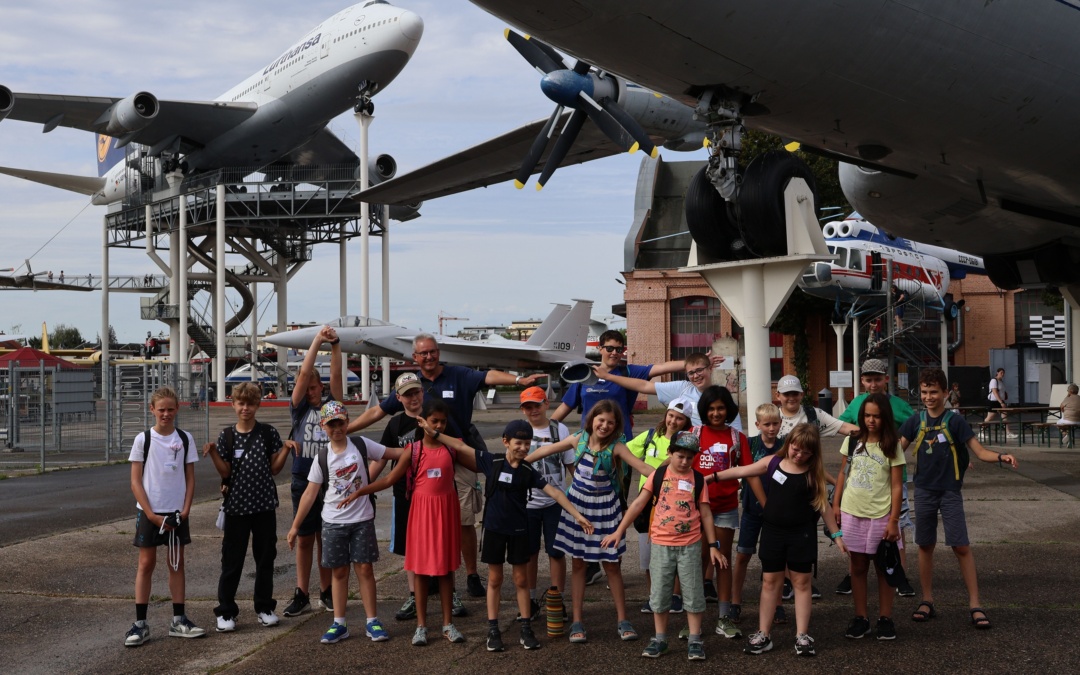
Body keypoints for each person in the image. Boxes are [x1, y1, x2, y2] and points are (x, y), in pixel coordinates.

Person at [348, 333, 544, 603]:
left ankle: (472, 574)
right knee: (422, 524)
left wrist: (518, 380)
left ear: (438, 352)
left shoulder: (457, 375)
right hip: (422, 462)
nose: (428, 357)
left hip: (458, 455)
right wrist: (345, 430)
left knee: (463, 519)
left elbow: (487, 376)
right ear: (415, 358)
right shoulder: (411, 387)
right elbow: (377, 412)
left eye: (432, 351)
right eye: (423, 353)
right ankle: (425, 584)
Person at [346, 400, 480, 647]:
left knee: (446, 569)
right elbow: (388, 479)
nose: (438, 426)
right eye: (434, 421)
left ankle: (448, 624)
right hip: (422, 513)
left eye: (442, 422)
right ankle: (421, 626)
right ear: (423, 421)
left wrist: (452, 440)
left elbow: (478, 463)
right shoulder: (414, 450)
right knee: (420, 569)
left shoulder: (452, 449)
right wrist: (360, 491)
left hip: (446, 512)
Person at [708, 423, 848, 657]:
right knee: (770, 582)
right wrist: (712, 478)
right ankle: (764, 633)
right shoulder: (772, 462)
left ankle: (802, 635)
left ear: (813, 453)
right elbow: (742, 471)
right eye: (795, 448)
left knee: (801, 583)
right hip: (773, 532)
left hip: (802, 535)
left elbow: (823, 506)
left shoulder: (813, 473)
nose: (799, 454)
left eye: (806, 452)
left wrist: (837, 535)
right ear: (789, 443)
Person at [526, 399, 652, 643]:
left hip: (606, 510)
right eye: (600, 420)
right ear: (592, 419)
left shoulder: (617, 447)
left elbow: (642, 467)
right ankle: (576, 621)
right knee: (579, 566)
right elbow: (545, 450)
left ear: (616, 427)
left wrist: (670, 473)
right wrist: (520, 463)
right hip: (578, 509)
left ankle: (623, 620)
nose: (604, 425)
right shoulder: (578, 439)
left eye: (610, 423)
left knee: (612, 565)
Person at [900, 368, 1018, 629]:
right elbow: (896, 452)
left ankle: (975, 604)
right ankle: (927, 599)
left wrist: (1001, 456)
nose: (929, 397)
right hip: (924, 491)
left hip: (950, 491)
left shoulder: (955, 422)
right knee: (925, 545)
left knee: (961, 545)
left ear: (945, 393)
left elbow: (978, 451)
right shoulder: (914, 421)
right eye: (924, 392)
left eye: (934, 392)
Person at [602, 431, 728, 661]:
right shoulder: (658, 475)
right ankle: (660, 639)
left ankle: (695, 639)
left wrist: (713, 545)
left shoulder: (698, 480)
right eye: (680, 456)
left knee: (693, 595)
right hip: (660, 545)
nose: (684, 461)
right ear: (669, 453)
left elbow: (707, 515)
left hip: (690, 545)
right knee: (659, 596)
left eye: (690, 457)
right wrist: (619, 531)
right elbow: (639, 503)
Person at [288, 401, 402, 644]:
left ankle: (372, 621)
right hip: (332, 523)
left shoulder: (360, 445)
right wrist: (295, 526)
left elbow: (391, 453)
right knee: (339, 572)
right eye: (331, 424)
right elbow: (309, 494)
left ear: (347, 422)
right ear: (323, 427)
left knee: (365, 569)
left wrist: (422, 449)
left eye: (340, 422)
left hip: (361, 520)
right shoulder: (322, 457)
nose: (336, 428)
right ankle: (339, 623)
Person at [479, 420, 594, 652]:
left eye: (527, 443)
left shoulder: (527, 470)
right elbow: (460, 447)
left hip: (519, 530)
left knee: (521, 580)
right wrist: (435, 433)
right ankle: (493, 629)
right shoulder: (493, 462)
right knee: (495, 579)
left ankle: (525, 627)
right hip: (493, 529)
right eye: (518, 443)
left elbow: (555, 492)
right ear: (506, 442)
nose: (523, 447)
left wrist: (578, 515)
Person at [201, 382, 294, 632]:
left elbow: (274, 469)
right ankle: (226, 611)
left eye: (250, 403)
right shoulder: (227, 436)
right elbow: (226, 471)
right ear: (233, 405)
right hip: (236, 508)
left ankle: (264, 607)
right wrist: (213, 454)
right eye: (241, 403)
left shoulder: (267, 433)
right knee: (232, 561)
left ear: (258, 405)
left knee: (265, 559)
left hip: (264, 506)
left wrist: (285, 449)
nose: (246, 408)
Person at [124, 386, 206, 647]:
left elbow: (190, 477)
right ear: (152, 410)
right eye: (161, 410)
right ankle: (140, 624)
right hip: (150, 512)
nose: (166, 414)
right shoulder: (143, 440)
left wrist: (186, 509)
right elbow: (136, 482)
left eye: (171, 409)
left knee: (176, 563)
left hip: (176, 512)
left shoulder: (184, 438)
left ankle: (179, 620)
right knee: (146, 564)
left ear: (177, 409)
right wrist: (151, 514)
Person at [836, 358, 916, 597]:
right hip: (861, 479)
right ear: (862, 381)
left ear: (886, 380)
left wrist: (898, 443)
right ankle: (853, 574)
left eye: (877, 379)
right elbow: (843, 425)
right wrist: (857, 437)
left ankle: (899, 572)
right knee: (856, 534)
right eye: (868, 380)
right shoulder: (857, 403)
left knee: (896, 525)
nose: (873, 384)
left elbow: (915, 425)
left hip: (890, 477)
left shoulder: (898, 405)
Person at [832, 393, 906, 641]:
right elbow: (843, 472)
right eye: (867, 415)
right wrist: (836, 504)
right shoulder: (853, 441)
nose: (871, 420)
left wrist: (894, 520)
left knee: (884, 567)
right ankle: (861, 617)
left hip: (881, 515)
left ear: (885, 417)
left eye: (876, 416)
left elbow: (897, 486)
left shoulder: (892, 445)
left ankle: (885, 617)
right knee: (858, 566)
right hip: (852, 512)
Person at [283, 325, 342, 618]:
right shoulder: (298, 409)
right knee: (305, 538)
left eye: (314, 388)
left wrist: (334, 347)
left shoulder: (332, 408)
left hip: (330, 482)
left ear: (322, 388)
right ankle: (301, 592)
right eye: (305, 389)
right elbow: (304, 374)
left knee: (325, 538)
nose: (310, 392)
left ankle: (326, 591)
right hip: (302, 479)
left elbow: (337, 379)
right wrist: (316, 340)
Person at [692, 385, 751, 640]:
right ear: (704, 410)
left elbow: (749, 473)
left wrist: (766, 504)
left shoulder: (737, 438)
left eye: (721, 408)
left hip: (725, 508)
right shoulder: (693, 434)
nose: (716, 413)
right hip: (696, 508)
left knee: (722, 560)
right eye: (711, 408)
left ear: (728, 410)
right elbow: (673, 464)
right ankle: (693, 619)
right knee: (699, 559)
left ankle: (724, 617)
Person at [366, 373, 426, 622]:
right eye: (407, 394)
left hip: (432, 494)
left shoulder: (434, 418)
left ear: (423, 393)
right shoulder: (395, 425)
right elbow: (381, 457)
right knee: (410, 547)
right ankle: (414, 595)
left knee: (437, 543)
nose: (413, 398)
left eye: (416, 392)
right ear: (398, 398)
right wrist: (363, 484)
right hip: (405, 493)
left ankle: (449, 592)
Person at [625, 397, 693, 613]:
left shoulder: (686, 442)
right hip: (646, 502)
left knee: (671, 553)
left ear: (686, 421)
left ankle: (674, 596)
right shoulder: (649, 437)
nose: (673, 421)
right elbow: (624, 451)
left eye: (679, 418)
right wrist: (647, 470)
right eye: (671, 415)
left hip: (673, 503)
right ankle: (654, 595)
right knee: (647, 555)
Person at [519, 386, 574, 621]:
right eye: (528, 406)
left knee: (556, 552)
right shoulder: (519, 430)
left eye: (536, 405)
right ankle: (530, 600)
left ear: (546, 404)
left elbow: (570, 464)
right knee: (530, 552)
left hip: (555, 501)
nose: (533, 410)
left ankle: (556, 599)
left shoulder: (559, 429)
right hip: (527, 503)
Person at [591, 351, 744, 431]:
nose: (696, 376)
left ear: (710, 368)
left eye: (699, 370)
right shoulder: (683, 388)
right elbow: (643, 386)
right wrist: (609, 377)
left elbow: (736, 432)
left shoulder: (722, 396)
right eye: (691, 373)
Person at [731, 403, 780, 626]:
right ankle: (735, 602)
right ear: (757, 424)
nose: (772, 428)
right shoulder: (749, 444)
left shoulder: (786, 446)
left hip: (777, 512)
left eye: (775, 423)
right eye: (767, 424)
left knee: (776, 560)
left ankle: (777, 604)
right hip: (752, 510)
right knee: (743, 555)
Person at [776, 374, 858, 440]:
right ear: (778, 396)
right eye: (786, 394)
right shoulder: (771, 416)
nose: (791, 398)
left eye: (795, 393)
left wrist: (869, 437)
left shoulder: (814, 414)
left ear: (801, 395)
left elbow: (844, 427)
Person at [983, 367, 1015, 438]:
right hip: (994, 401)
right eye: (1001, 373)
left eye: (1003, 373)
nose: (1002, 374)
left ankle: (1008, 433)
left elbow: (1002, 391)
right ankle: (982, 432)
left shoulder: (1001, 382)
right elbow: (995, 392)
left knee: (1004, 416)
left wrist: (1003, 398)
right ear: (997, 373)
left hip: (1001, 401)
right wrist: (1001, 402)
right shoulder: (994, 381)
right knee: (990, 417)